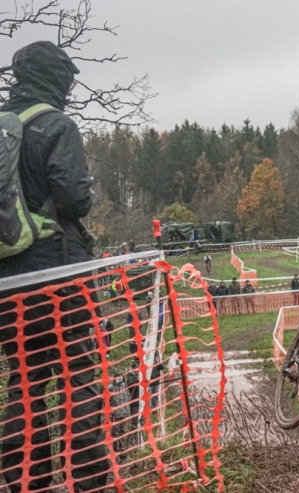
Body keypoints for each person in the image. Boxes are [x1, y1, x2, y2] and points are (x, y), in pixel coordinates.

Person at [0, 41, 109, 491]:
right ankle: (90, 480)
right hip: (58, 270)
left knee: (24, 381)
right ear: (54, 79)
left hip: (7, 278)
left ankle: (29, 483)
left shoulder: (4, 129)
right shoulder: (56, 126)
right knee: (77, 373)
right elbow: (74, 200)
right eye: (67, 77)